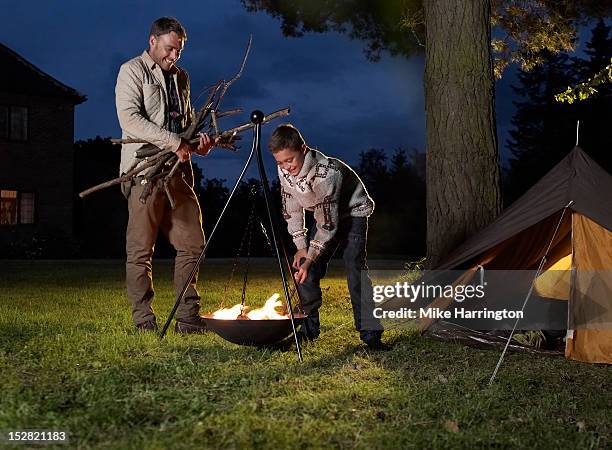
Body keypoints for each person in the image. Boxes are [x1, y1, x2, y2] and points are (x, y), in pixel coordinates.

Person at [115, 17, 215, 333]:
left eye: (179, 51)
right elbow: (130, 118)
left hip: (178, 173)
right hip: (143, 171)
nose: (174, 57)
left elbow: (184, 123)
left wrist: (198, 143)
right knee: (141, 249)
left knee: (193, 243)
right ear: (153, 41)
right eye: (170, 49)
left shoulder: (181, 77)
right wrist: (175, 142)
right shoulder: (132, 71)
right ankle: (144, 320)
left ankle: (187, 318)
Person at [269, 124, 390, 350]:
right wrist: (302, 248)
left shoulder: (327, 173)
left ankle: (371, 334)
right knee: (306, 269)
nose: (286, 167)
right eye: (280, 162)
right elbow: (292, 209)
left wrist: (311, 256)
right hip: (325, 214)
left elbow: (327, 224)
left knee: (355, 268)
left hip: (353, 212)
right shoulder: (284, 171)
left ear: (303, 149)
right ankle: (308, 329)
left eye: (290, 160)